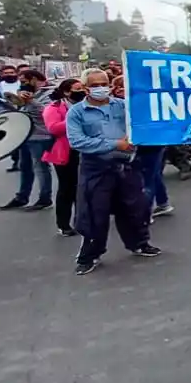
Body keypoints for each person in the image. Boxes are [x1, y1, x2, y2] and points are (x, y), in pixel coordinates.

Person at [65, 69, 160, 275]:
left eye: (104, 83)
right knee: (93, 213)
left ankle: (139, 243)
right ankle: (90, 255)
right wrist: (115, 144)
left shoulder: (123, 106)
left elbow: (142, 124)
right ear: (85, 88)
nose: (101, 88)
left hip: (126, 166)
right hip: (96, 168)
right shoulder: (77, 112)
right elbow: (77, 141)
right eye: (95, 84)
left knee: (134, 208)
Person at [0, 68, 54, 211]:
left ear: (34, 80)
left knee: (41, 168)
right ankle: (22, 197)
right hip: (26, 135)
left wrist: (30, 101)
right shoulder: (25, 92)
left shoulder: (50, 92)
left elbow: (47, 113)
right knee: (25, 167)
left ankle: (45, 198)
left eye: (24, 81)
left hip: (41, 136)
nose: (22, 84)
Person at [44, 78, 83, 237]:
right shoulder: (54, 108)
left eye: (82, 88)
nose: (81, 91)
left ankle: (81, 221)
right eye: (77, 88)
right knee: (67, 188)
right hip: (65, 153)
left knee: (82, 189)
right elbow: (53, 129)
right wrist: (73, 119)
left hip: (86, 150)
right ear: (67, 91)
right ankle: (64, 224)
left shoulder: (87, 105)